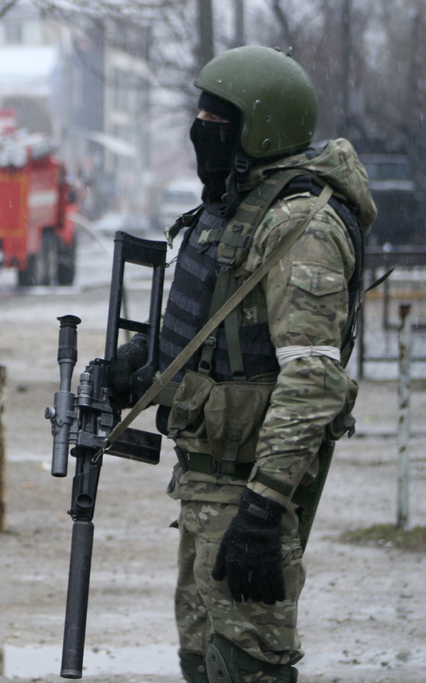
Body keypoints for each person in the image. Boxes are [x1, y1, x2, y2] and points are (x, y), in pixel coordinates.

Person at [113, 47, 375, 683]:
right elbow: (220, 335)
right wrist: (141, 365)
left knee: (247, 668)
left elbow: (312, 378)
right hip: (205, 487)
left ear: (258, 128)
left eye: (216, 119)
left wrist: (262, 509)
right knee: (202, 665)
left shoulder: (298, 222)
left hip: (247, 495)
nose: (201, 129)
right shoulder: (237, 206)